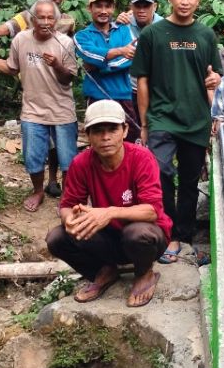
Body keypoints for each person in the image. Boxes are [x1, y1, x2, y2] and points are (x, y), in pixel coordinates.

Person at [130, 0, 222, 265]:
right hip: (161, 119)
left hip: (196, 120)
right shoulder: (152, 35)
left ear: (198, 0)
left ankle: (184, 236)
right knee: (160, 173)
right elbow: (142, 80)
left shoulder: (206, 35)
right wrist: (144, 123)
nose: (185, 1)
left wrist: (215, 86)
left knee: (190, 180)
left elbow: (214, 77)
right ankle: (167, 233)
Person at [47, 100, 170, 307]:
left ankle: (144, 272)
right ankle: (103, 270)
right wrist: (69, 220)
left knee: (137, 233)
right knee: (57, 238)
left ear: (125, 130)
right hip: (108, 239)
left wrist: (109, 213)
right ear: (88, 135)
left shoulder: (142, 158)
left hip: (146, 238)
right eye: (98, 131)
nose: (106, 137)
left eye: (112, 129)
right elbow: (67, 204)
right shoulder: (81, 163)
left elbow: (152, 211)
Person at [0, 0, 76, 197]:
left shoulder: (68, 23)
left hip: (59, 101)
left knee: (65, 154)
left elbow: (69, 72)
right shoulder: (25, 20)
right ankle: (39, 189)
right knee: (34, 152)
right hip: (33, 98)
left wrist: (57, 65)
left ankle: (57, 184)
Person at [74, 0, 139, 142]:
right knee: (100, 142)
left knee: (129, 140)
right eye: (99, 6)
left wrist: (100, 66)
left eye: (108, 6)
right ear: (90, 8)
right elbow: (90, 54)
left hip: (123, 95)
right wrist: (120, 51)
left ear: (113, 8)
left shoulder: (123, 30)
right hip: (97, 96)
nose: (103, 11)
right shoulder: (82, 36)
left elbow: (130, 58)